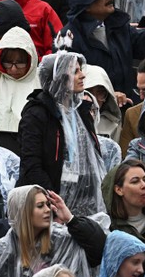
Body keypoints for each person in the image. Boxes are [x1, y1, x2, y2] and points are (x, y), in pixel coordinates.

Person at [17, 52, 107, 220]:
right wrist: (52, 206)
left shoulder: (82, 111)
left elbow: (93, 158)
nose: (83, 75)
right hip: (48, 204)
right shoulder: (36, 114)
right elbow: (32, 166)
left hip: (85, 202)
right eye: (75, 71)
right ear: (59, 78)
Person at [0, 185, 102, 277]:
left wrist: (70, 219)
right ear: (22, 212)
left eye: (48, 204)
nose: (48, 210)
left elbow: (99, 249)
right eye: (40, 206)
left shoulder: (62, 240)